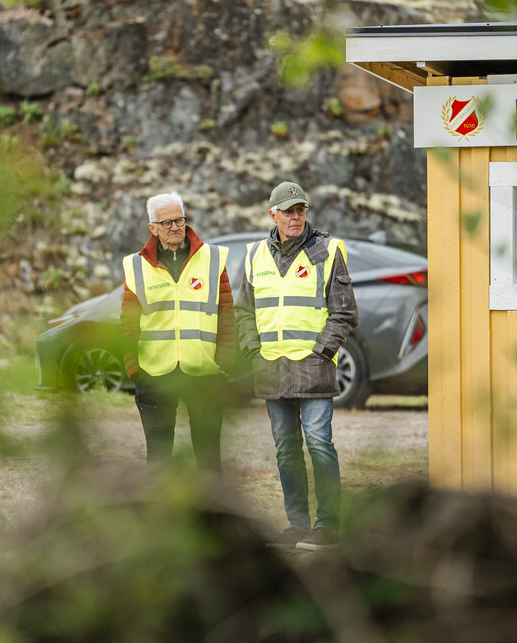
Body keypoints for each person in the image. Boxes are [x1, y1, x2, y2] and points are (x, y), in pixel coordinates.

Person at [235, 181, 358, 551]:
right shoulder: (254, 254)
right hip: (271, 369)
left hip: (313, 369)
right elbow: (244, 312)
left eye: (301, 210)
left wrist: (321, 352)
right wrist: (253, 353)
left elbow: (344, 312)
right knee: (286, 448)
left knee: (319, 443)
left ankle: (328, 527)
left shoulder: (327, 251)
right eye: (288, 211)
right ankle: (297, 525)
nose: (296, 217)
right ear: (272, 215)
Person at [120, 192, 235, 472]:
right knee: (158, 461)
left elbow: (226, 313)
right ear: (153, 228)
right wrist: (134, 367)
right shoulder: (136, 265)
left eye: (179, 220)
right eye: (167, 222)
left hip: (205, 373)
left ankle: (212, 503)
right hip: (154, 374)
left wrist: (225, 360)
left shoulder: (212, 258)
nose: (175, 227)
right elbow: (128, 323)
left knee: (209, 460)